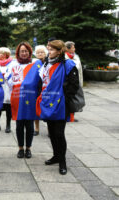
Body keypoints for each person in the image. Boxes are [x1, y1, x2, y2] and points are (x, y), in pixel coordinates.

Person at [36, 40, 79, 175]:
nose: (50, 51)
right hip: (48, 102)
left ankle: (62, 161)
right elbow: (42, 81)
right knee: (52, 132)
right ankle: (56, 156)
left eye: (52, 49)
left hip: (61, 104)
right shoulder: (46, 63)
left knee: (59, 133)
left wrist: (63, 98)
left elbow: (74, 85)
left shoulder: (68, 64)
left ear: (60, 51)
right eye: (49, 49)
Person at [6, 42, 41, 159]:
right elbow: (9, 81)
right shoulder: (13, 65)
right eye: (22, 51)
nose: (24, 53)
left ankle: (28, 148)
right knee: (19, 125)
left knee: (30, 125)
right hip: (17, 98)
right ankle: (20, 148)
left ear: (30, 52)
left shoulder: (36, 64)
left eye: (26, 51)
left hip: (31, 98)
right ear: (18, 53)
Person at [0, 47, 16, 133]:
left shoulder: (12, 63)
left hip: (8, 88)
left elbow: (14, 74)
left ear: (6, 55)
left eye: (0, 53)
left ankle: (8, 125)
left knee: (8, 108)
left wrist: (6, 76)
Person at [33, 45, 48, 136]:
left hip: (46, 88)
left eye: (42, 52)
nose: (40, 54)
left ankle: (49, 129)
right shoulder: (34, 63)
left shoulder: (49, 62)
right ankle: (37, 128)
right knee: (36, 109)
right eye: (38, 52)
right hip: (36, 88)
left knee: (46, 108)